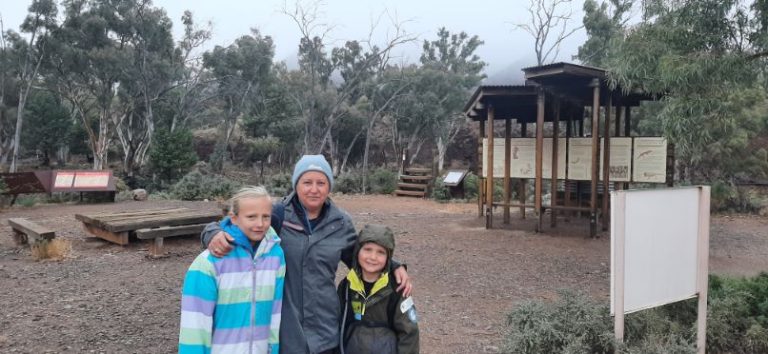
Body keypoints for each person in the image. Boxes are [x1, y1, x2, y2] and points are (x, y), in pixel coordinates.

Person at [201, 155, 412, 354]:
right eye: (307, 182)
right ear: (296, 185)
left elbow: (361, 257)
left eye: (321, 183)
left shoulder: (340, 223)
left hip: (326, 331)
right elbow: (236, 225)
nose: (314, 189)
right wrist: (212, 233)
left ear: (329, 186)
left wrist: (394, 266)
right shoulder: (276, 215)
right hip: (285, 331)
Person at [180, 186, 285, 354]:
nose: (260, 224)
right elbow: (194, 328)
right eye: (251, 217)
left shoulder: (276, 256)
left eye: (266, 217)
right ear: (234, 218)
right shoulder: (207, 263)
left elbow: (275, 314)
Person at [337, 224, 419, 354]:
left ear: (389, 257)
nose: (373, 257)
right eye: (367, 249)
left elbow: (409, 333)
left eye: (381, 252)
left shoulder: (398, 289)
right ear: (358, 251)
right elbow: (338, 325)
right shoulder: (347, 286)